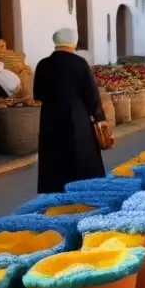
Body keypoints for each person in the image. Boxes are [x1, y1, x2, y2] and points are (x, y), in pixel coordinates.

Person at [33, 28, 106, 193]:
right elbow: (91, 95)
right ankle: (82, 189)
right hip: (77, 117)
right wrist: (99, 118)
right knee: (81, 154)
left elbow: (38, 94)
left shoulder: (43, 64)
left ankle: (54, 190)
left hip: (50, 118)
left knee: (53, 155)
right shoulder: (80, 64)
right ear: (73, 42)